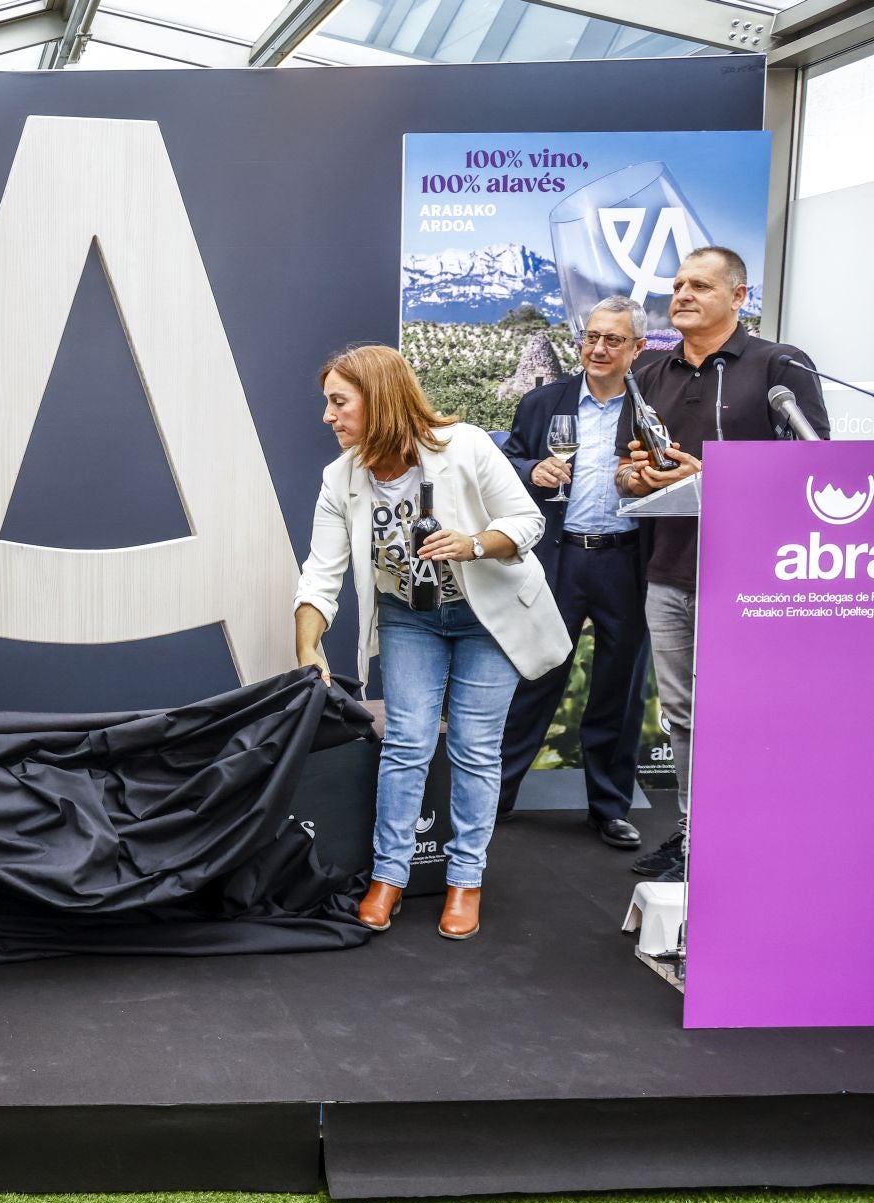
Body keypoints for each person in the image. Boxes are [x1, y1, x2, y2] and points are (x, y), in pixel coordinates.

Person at [293, 345, 569, 940]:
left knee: (474, 748)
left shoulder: (465, 445)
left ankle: (465, 879)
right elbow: (321, 571)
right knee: (406, 745)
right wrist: (308, 645)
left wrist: (471, 543)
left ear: (382, 401)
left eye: (340, 403)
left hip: (486, 616)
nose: (328, 417)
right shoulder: (339, 478)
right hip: (409, 617)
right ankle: (388, 877)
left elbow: (527, 522)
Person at [616, 246, 830, 882]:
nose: (682, 293)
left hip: (757, 578)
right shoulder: (650, 372)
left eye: (700, 286)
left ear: (738, 298)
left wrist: (708, 477)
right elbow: (629, 475)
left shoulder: (779, 366)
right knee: (681, 715)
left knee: (746, 712)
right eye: (678, 284)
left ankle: (755, 837)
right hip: (669, 570)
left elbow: (814, 474)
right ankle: (693, 834)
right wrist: (637, 476)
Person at [494, 298, 652, 851]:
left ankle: (609, 808)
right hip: (560, 558)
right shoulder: (544, 403)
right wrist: (529, 469)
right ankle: (495, 797)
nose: (599, 348)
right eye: (591, 337)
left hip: (626, 561)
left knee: (619, 688)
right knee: (534, 678)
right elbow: (503, 465)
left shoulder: (651, 409)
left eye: (613, 340)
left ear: (636, 349)